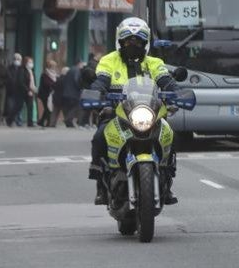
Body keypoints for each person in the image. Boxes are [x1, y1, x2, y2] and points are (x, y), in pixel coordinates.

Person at [88, 17, 179, 206]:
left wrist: (177, 92)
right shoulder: (108, 60)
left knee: (170, 134)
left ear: (145, 43)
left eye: (138, 41)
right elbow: (101, 81)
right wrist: (95, 93)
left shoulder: (154, 63)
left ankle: (167, 180)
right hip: (117, 113)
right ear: (120, 41)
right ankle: (100, 184)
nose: (133, 44)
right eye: (128, 40)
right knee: (99, 136)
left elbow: (166, 81)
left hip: (149, 113)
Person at [55, 60, 85, 128]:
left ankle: (69, 123)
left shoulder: (70, 70)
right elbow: (77, 81)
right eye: (82, 64)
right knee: (76, 106)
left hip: (67, 92)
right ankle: (68, 119)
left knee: (69, 108)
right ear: (79, 64)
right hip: (74, 93)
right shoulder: (77, 70)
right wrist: (80, 87)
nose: (82, 66)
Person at [37, 60, 58, 127]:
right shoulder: (45, 74)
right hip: (45, 94)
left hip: (51, 94)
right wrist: (54, 84)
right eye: (53, 66)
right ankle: (48, 122)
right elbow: (47, 83)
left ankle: (41, 121)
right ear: (50, 66)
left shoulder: (54, 74)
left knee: (48, 108)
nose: (54, 68)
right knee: (47, 108)